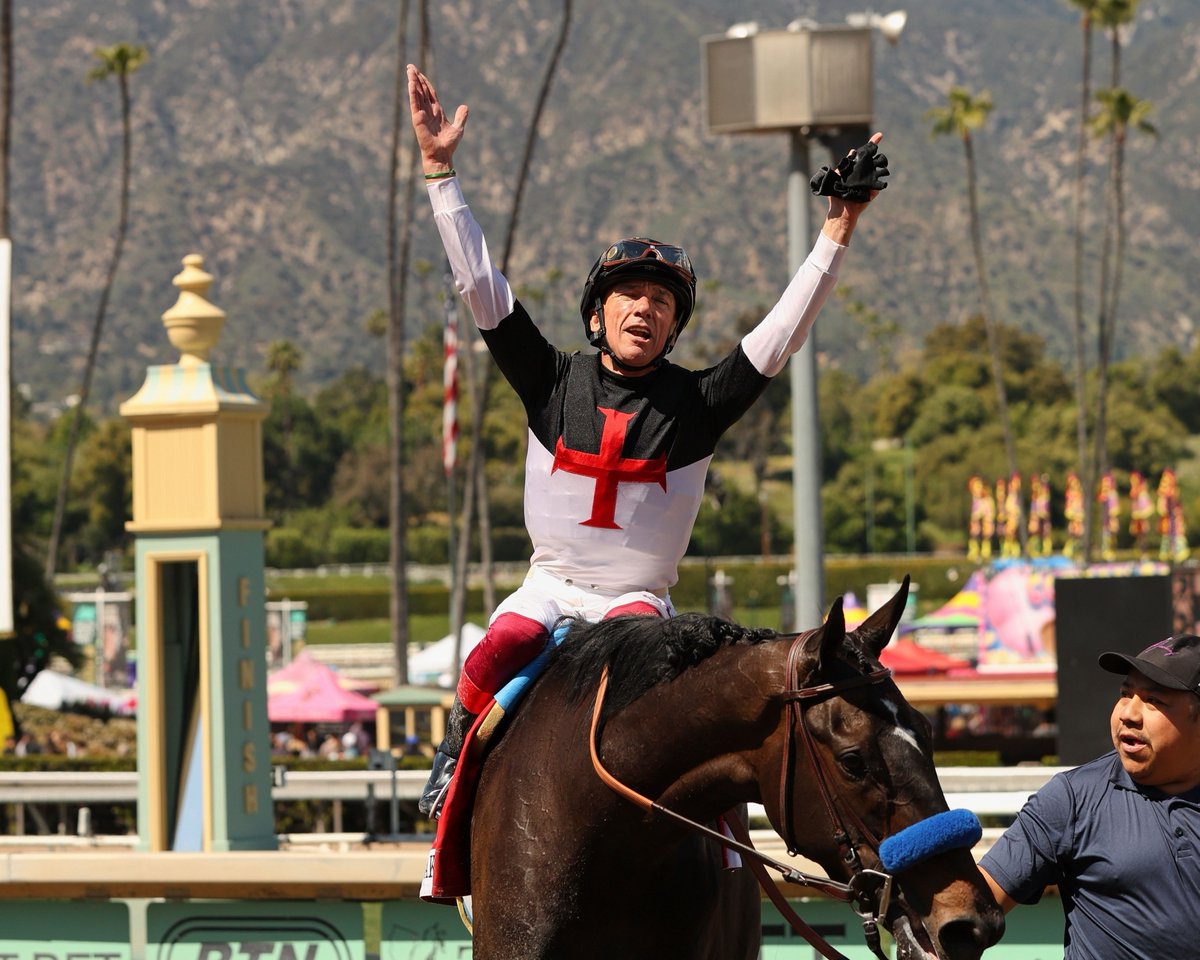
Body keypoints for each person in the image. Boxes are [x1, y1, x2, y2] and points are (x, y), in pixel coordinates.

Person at [407, 65, 887, 816]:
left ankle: (706, 829)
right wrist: (441, 173)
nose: (645, 308)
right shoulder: (548, 378)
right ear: (596, 316)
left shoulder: (698, 402)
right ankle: (454, 752)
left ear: (673, 325)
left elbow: (785, 330)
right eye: (629, 294)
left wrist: (838, 228)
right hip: (551, 585)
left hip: (636, 601)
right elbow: (481, 288)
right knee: (500, 644)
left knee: (643, 664)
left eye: (662, 301)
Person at [979, 633, 1200, 959]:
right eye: (1125, 694)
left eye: (1154, 700)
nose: (1129, 713)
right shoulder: (1071, 799)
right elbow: (973, 908)